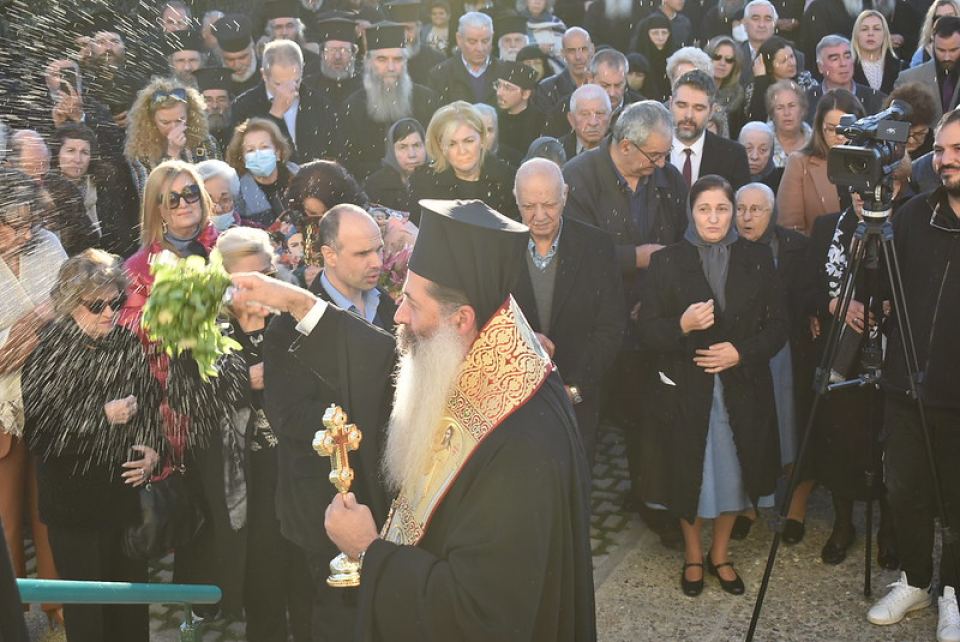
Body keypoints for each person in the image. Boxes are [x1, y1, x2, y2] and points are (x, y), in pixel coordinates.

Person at [244, 196, 596, 641]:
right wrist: (299, 304)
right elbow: (392, 364)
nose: (399, 315)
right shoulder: (489, 340)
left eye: (411, 302)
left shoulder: (520, 444)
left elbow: (478, 612)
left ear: (462, 318)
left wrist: (369, 552)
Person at [636, 174, 785, 597]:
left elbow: (779, 327)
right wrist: (681, 325)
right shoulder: (667, 262)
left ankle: (720, 553)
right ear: (691, 212)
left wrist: (740, 351)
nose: (714, 218)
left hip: (740, 390)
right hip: (686, 392)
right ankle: (693, 555)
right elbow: (645, 332)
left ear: (733, 212)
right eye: (704, 209)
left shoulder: (757, 258)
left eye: (722, 209)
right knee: (689, 472)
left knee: (734, 474)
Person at [165, 227, 313, 641]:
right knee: (263, 584)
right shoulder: (201, 326)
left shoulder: (291, 314)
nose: (262, 286)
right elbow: (184, 397)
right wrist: (243, 382)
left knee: (306, 580)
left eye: (267, 273)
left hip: (298, 467)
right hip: (245, 478)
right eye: (249, 279)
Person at [21, 248, 164, 642]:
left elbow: (150, 403)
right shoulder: (48, 354)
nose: (108, 313)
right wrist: (101, 415)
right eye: (96, 305)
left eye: (116, 302)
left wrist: (152, 448)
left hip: (124, 502)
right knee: (90, 621)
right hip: (76, 510)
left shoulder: (124, 342)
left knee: (132, 614)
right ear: (70, 304)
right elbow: (42, 435)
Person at [563, 101, 688, 546]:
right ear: (626, 146)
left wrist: (655, 298)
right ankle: (573, 512)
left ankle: (649, 499)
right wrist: (634, 259)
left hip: (647, 322)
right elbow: (574, 251)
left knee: (647, 418)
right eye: (655, 156)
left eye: (664, 155)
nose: (661, 164)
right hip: (595, 324)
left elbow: (677, 244)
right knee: (588, 418)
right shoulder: (578, 177)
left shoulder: (667, 180)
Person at [865, 108, 960, 642]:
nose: (945, 160)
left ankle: (954, 592)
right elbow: (880, 291)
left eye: (957, 151)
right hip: (906, 387)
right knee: (906, 491)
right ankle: (917, 580)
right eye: (941, 150)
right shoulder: (913, 215)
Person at [803, 159, 911, 566]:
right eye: (855, 189)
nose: (862, 198)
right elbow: (803, 288)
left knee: (889, 442)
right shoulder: (826, 227)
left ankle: (888, 530)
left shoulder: (906, 229)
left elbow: (918, 286)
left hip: (892, 353)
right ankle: (843, 523)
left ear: (896, 189)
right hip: (839, 358)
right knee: (840, 440)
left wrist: (890, 306)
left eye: (875, 189)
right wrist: (834, 302)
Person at [512, 159, 624, 467]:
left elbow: (611, 328)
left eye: (548, 204)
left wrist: (574, 389)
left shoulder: (597, 246)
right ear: (515, 199)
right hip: (515, 399)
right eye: (528, 206)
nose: (539, 216)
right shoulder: (500, 245)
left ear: (565, 195)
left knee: (573, 483)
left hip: (577, 396)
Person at [0, 168, 66, 635]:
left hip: (49, 395)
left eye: (29, 222)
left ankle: (59, 612)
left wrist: (39, 322)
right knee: (4, 516)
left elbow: (70, 302)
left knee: (51, 513)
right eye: (11, 223)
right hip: (1, 408)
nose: (23, 233)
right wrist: (11, 338)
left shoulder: (48, 245)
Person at [730, 182, 813, 542]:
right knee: (751, 426)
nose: (747, 217)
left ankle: (796, 506)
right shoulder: (727, 248)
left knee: (791, 425)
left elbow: (809, 295)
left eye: (757, 210)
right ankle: (749, 502)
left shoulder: (795, 247)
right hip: (748, 352)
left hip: (788, 355)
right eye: (741, 208)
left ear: (773, 212)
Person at [340, 22, 439, 181]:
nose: (391, 67)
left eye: (398, 59)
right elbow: (349, 164)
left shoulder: (427, 99)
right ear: (368, 62)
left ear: (405, 62)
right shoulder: (353, 106)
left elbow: (437, 154)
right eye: (382, 59)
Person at [231, 39, 338, 166]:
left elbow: (334, 154)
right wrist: (275, 114)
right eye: (278, 84)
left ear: (302, 70)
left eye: (295, 81)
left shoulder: (320, 104)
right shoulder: (244, 106)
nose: (288, 90)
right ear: (264, 75)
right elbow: (239, 157)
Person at [410, 101, 518, 221]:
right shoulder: (424, 182)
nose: (462, 151)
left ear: (482, 139)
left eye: (469, 141)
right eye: (452, 144)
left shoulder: (507, 179)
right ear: (441, 146)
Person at [777, 89, 865, 234]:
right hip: (817, 253)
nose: (840, 136)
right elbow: (790, 231)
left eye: (847, 129)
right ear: (820, 128)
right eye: (832, 129)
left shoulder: (872, 161)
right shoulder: (799, 163)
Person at [272, 159, 369, 287]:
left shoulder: (372, 223)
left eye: (329, 212)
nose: (322, 221)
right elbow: (271, 273)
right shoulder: (287, 228)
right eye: (312, 213)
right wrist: (302, 276)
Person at [49, 123, 140, 257]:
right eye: (70, 151)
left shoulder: (105, 187)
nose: (77, 159)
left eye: (84, 152)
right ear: (58, 153)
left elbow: (121, 235)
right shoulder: (47, 191)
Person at [307, 204, 398, 330]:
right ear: (330, 256)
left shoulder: (387, 303)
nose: (377, 263)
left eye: (378, 250)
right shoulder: (298, 326)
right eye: (362, 253)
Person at [123, 77, 220, 197]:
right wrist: (173, 154)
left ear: (190, 116)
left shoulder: (206, 142)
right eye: (165, 122)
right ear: (151, 121)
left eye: (180, 120)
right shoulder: (140, 151)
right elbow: (151, 199)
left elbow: (218, 186)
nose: (174, 127)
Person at [669, 70, 751, 190]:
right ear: (670, 104)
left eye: (698, 108)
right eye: (682, 105)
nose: (689, 115)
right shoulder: (650, 151)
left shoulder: (733, 156)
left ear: (711, 111)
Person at [226, 117, 300, 228]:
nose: (258, 154)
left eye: (264, 147)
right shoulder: (238, 196)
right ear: (242, 158)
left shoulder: (301, 177)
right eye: (250, 150)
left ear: (278, 152)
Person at [806, 35, 886, 122]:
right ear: (820, 67)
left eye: (847, 57)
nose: (843, 63)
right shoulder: (805, 102)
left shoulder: (878, 100)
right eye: (835, 59)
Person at [896, 15, 960, 123]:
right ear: (932, 44)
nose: (947, 57)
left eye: (953, 50)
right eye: (941, 50)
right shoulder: (909, 79)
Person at [428, 12, 502, 105]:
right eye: (472, 42)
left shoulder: (505, 71)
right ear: (459, 39)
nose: (480, 48)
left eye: (485, 41)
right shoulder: (440, 75)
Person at [742, 36, 814, 124]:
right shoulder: (756, 87)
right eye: (783, 61)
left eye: (792, 57)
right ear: (769, 67)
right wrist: (760, 80)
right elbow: (756, 121)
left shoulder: (806, 81)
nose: (791, 63)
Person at [364, 118, 427, 213]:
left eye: (417, 145)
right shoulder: (376, 185)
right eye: (403, 147)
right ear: (392, 151)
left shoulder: (438, 181)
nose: (412, 154)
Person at [532, 27, 594, 116]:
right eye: (571, 51)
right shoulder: (546, 89)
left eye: (583, 49)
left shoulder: (604, 84)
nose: (578, 57)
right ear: (563, 54)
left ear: (592, 50)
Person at [384, 1, 446, 87]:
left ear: (419, 27)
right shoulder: (382, 63)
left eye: (409, 29)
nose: (404, 36)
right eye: (398, 30)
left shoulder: (438, 60)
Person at [309, 15, 364, 107]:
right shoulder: (308, 87)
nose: (338, 56)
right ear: (322, 53)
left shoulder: (364, 86)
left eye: (344, 50)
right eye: (332, 50)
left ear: (354, 53)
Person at [494, 61, 546, 160]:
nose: (499, 93)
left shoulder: (540, 121)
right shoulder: (496, 118)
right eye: (498, 85)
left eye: (507, 88)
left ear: (525, 94)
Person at [853, 10, 904, 95]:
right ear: (856, 34)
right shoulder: (847, 69)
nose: (870, 33)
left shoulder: (901, 68)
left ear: (885, 34)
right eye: (864, 29)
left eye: (876, 29)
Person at [212, 14, 263, 98]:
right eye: (230, 59)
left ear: (252, 48)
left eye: (243, 57)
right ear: (221, 55)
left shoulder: (268, 74)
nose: (237, 65)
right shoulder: (214, 80)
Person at [631, 13, 676, 103]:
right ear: (646, 34)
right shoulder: (636, 60)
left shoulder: (675, 58)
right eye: (655, 33)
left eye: (664, 33)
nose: (660, 38)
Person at [766, 79, 812, 167]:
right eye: (780, 107)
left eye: (791, 106)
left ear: (802, 109)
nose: (786, 113)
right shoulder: (762, 139)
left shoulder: (816, 142)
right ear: (772, 113)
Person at [560, 84, 612, 159]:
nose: (593, 122)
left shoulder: (621, 151)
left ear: (610, 117)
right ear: (571, 120)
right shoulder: (557, 150)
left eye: (599, 113)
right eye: (585, 114)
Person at [706, 36, 746, 134]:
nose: (722, 63)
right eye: (717, 57)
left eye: (729, 60)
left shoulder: (737, 95)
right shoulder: (695, 89)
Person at [195, 66, 235, 153]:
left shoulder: (239, 136)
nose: (215, 106)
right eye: (208, 100)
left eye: (221, 100)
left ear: (230, 102)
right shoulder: (191, 137)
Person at [196, 159, 243, 232]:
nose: (218, 209)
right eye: (209, 201)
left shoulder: (253, 234)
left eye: (225, 199)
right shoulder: (186, 240)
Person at [909, 0, 960, 67]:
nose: (944, 21)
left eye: (949, 16)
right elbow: (914, 75)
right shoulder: (922, 54)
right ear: (932, 23)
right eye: (939, 18)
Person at [738, 121, 781, 190]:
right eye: (748, 148)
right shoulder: (726, 180)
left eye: (763, 150)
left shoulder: (781, 184)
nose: (754, 157)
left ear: (771, 152)